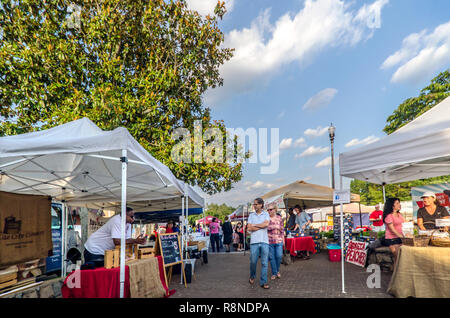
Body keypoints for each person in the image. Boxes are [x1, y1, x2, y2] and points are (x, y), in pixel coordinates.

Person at [247, 197, 270, 289]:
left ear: (261, 205)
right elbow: (249, 228)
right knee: (253, 262)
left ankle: (263, 282)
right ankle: (252, 276)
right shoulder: (251, 215)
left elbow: (266, 224)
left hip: (264, 241)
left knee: (264, 263)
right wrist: (261, 225)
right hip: (254, 242)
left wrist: (254, 225)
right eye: (254, 204)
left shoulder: (266, 214)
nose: (254, 205)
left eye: (256, 204)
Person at [267, 203, 284, 280]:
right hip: (269, 241)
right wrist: (274, 226)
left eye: (270, 209)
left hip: (279, 240)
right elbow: (265, 228)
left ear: (275, 210)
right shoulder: (266, 218)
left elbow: (282, 230)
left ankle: (277, 270)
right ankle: (275, 273)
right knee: (272, 258)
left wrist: (283, 240)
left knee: (279, 256)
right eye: (268, 210)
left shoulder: (279, 218)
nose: (269, 211)